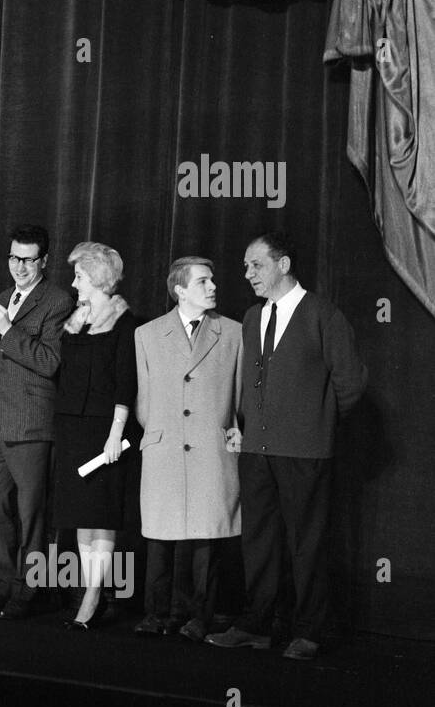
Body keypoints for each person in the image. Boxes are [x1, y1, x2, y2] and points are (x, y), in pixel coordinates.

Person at [207, 232, 367, 660]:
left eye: (255, 265)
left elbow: (351, 384)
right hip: (257, 452)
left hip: (305, 453)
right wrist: (245, 425)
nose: (247, 275)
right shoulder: (253, 317)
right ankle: (257, 625)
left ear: (283, 264)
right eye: (244, 267)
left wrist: (317, 425)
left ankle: (309, 631)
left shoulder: (323, 315)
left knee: (306, 543)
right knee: (258, 541)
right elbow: (251, 381)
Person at [133, 257, 242, 640]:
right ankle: (156, 613)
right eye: (202, 282)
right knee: (161, 535)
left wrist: (229, 432)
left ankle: (201, 616)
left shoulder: (234, 333)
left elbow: (240, 396)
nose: (212, 287)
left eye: (212, 280)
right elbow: (144, 403)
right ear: (179, 290)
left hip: (210, 445)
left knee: (205, 537)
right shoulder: (147, 334)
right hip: (164, 446)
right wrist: (164, 432)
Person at [0, 225, 75, 620]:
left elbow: (51, 362)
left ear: (44, 261)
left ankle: (29, 590)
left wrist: (7, 331)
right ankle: (4, 583)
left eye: (28, 259)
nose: (19, 266)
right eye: (14, 257)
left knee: (32, 514)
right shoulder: (1, 299)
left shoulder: (58, 301)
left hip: (32, 425)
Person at [51, 242, 138, 629]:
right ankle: (91, 588)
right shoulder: (76, 320)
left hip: (105, 430)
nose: (75, 283)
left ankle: (92, 596)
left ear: (100, 279)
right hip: (72, 426)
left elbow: (125, 383)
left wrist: (114, 433)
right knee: (81, 516)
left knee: (101, 516)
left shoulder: (124, 322)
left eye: (80, 277)